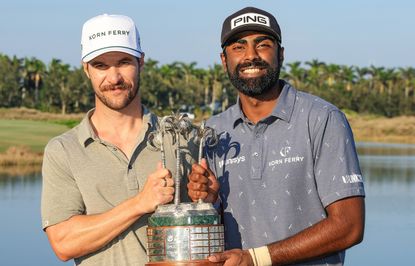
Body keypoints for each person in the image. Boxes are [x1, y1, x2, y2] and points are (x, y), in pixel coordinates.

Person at [188, 7, 365, 266]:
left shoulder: (321, 118)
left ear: (280, 54)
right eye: (239, 47)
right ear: (224, 60)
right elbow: (210, 235)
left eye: (263, 45)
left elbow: (349, 226)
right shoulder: (213, 131)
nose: (251, 56)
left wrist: (256, 258)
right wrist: (210, 203)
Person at [41, 14, 196, 266]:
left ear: (141, 62)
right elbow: (64, 243)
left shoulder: (182, 137)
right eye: (101, 65)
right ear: (86, 69)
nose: (114, 78)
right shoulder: (63, 150)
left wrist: (211, 199)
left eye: (124, 62)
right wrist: (140, 203)